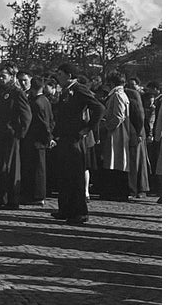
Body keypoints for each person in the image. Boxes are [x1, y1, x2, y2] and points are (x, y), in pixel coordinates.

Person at [51, 63, 104, 225]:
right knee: (64, 176)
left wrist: (87, 129)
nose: (57, 77)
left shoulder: (79, 89)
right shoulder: (65, 91)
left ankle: (80, 212)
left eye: (60, 74)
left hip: (75, 139)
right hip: (64, 139)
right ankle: (65, 209)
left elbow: (99, 108)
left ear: (69, 75)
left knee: (75, 176)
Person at [0, 64, 32, 209]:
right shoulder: (1, 92)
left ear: (12, 77)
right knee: (0, 167)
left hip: (11, 135)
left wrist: (20, 133)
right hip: (0, 134)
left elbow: (26, 115)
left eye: (4, 76)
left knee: (12, 168)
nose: (1, 79)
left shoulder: (17, 93)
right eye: (0, 76)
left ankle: (13, 200)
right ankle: (2, 197)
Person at [20, 76, 54, 205]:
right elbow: (50, 120)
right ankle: (38, 195)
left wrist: (47, 137)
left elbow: (42, 123)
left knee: (35, 169)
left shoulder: (36, 103)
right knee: (39, 168)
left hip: (36, 139)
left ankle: (36, 195)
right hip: (41, 139)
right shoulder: (45, 100)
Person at [98, 72, 131, 201]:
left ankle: (117, 191)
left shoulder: (117, 95)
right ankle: (116, 191)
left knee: (115, 161)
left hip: (116, 132)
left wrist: (106, 126)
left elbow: (118, 116)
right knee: (116, 161)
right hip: (117, 131)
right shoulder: (120, 94)